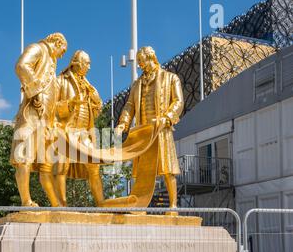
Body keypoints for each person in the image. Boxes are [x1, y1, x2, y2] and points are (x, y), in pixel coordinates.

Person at [116, 46, 184, 214]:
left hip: (161, 130)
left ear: (151, 58)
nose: (139, 65)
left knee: (168, 169)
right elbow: (130, 106)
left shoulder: (170, 78)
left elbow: (178, 101)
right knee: (140, 172)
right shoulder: (137, 84)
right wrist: (123, 124)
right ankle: (139, 206)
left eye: (141, 61)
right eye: (138, 62)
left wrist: (167, 117)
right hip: (143, 132)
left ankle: (173, 206)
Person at [11, 33, 68, 207]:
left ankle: (56, 205)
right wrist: (34, 93)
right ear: (57, 43)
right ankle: (25, 201)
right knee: (24, 157)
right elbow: (21, 66)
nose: (61, 55)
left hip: (46, 122)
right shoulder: (38, 48)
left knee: (44, 164)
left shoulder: (51, 62)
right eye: (62, 51)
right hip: (32, 115)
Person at [54, 50, 104, 207]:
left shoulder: (88, 85)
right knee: (61, 167)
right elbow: (52, 108)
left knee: (94, 166)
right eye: (86, 63)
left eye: (89, 63)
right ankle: (61, 205)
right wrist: (70, 104)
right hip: (66, 131)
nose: (89, 67)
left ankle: (101, 203)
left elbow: (96, 111)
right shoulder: (61, 81)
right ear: (76, 63)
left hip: (84, 134)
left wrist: (96, 101)